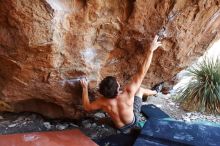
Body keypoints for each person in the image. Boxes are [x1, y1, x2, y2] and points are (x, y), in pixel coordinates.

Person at [80, 35, 162, 133]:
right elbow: (142, 72)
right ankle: (155, 91)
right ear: (118, 87)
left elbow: (87, 107)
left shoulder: (102, 102)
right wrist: (150, 50)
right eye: (117, 82)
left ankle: (113, 125)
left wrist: (84, 88)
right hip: (133, 122)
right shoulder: (128, 92)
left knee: (106, 119)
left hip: (120, 127)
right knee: (140, 90)